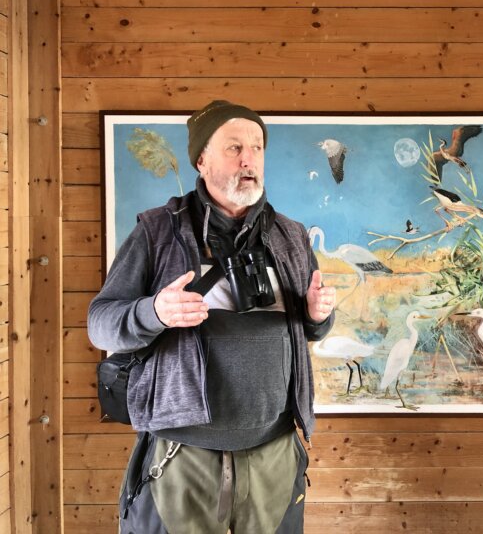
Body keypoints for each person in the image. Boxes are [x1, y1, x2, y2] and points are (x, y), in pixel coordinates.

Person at [88, 100, 335, 533]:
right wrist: (155, 311)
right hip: (182, 456)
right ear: (201, 159)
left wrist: (317, 317)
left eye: (257, 147)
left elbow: (309, 331)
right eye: (234, 147)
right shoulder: (158, 231)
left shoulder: (291, 235)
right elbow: (101, 322)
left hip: (274, 453)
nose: (249, 158)